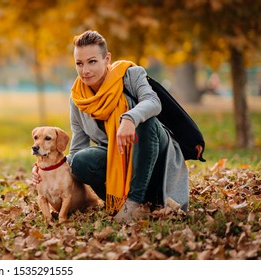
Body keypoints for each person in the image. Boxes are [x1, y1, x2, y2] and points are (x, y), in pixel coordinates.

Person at [32, 30, 189, 223]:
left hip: (152, 151)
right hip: (115, 156)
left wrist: (130, 118)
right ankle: (124, 203)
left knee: (146, 120)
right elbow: (77, 148)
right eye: (79, 64)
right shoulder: (78, 98)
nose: (85, 70)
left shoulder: (131, 75)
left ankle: (135, 203)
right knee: (81, 161)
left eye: (92, 61)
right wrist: (47, 167)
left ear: (107, 59)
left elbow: (153, 102)